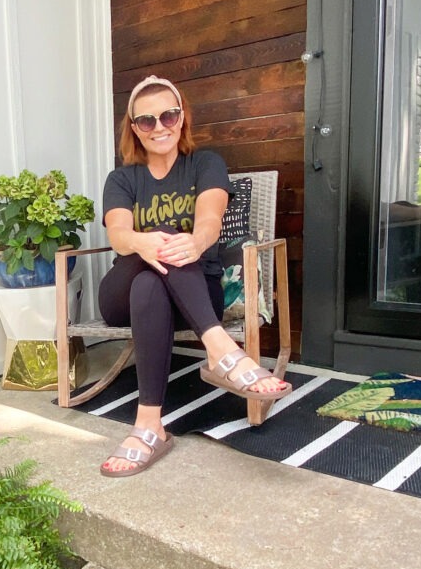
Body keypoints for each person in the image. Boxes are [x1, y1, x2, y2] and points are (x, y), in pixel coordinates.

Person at [97, 75, 292, 477]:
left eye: (168, 115)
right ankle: (220, 349)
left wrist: (196, 242)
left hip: (195, 297)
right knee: (149, 258)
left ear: (182, 117)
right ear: (135, 128)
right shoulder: (123, 179)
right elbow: (118, 236)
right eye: (146, 121)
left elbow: (209, 220)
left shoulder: (206, 164)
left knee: (155, 278)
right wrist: (144, 242)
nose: (160, 126)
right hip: (122, 296)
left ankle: (149, 427)